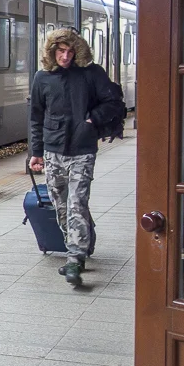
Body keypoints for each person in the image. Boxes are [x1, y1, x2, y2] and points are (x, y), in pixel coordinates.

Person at [28, 28, 126, 286]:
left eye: (70, 51)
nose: (66, 56)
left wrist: (93, 119)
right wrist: (36, 152)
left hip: (82, 149)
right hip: (53, 149)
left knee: (76, 203)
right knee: (60, 204)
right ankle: (82, 241)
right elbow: (36, 117)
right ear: (52, 51)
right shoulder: (42, 78)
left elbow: (114, 101)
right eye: (61, 51)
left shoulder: (92, 73)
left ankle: (75, 258)